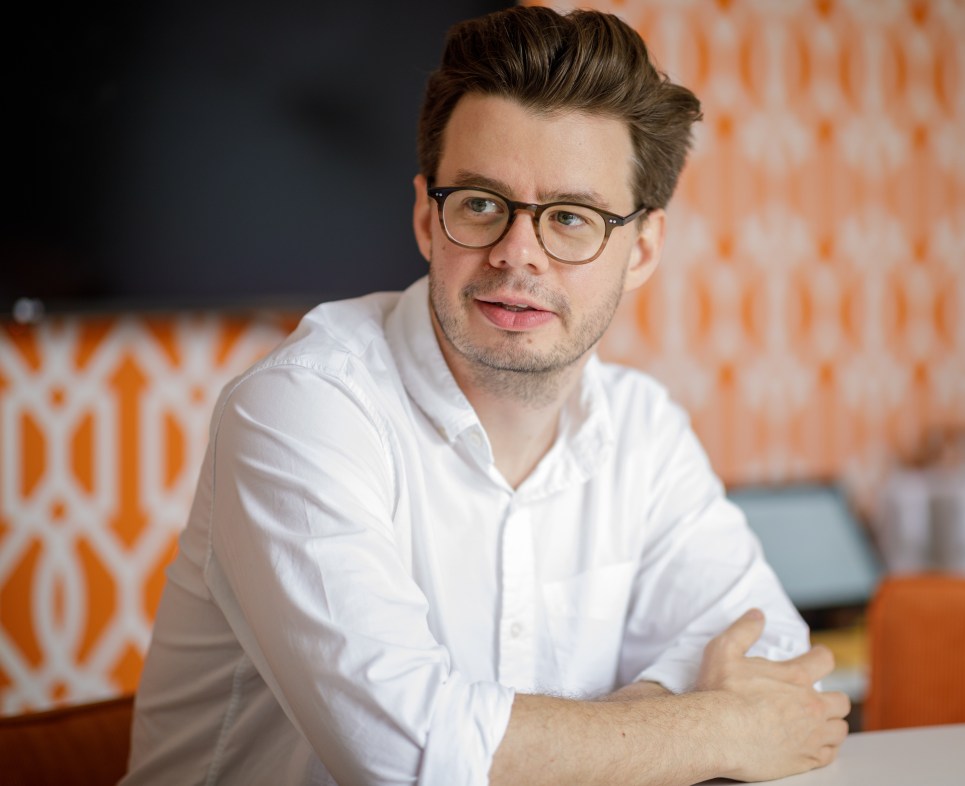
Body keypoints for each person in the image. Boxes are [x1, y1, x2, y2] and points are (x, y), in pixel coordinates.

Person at [122, 7, 850, 785]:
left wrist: (655, 718)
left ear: (641, 249)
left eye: (570, 218)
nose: (516, 254)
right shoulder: (302, 410)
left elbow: (782, 667)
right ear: (425, 219)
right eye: (479, 203)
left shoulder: (643, 428)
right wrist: (714, 725)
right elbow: (406, 757)